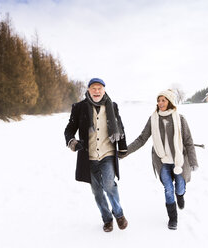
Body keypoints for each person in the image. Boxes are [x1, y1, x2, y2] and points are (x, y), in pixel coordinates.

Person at [119, 89, 198, 230]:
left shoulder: (180, 119)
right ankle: (173, 219)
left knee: (180, 187)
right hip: (162, 162)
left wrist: (193, 161)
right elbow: (142, 139)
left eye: (163, 100)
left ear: (170, 102)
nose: (160, 103)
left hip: (179, 161)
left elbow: (188, 141)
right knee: (168, 189)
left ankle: (180, 195)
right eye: (159, 100)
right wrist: (125, 152)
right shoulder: (153, 119)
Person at [64, 78, 128, 232]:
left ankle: (118, 214)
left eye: (100, 88)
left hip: (107, 154)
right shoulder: (79, 107)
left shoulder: (112, 106)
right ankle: (107, 219)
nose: (97, 91)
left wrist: (123, 147)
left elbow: (120, 126)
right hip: (89, 156)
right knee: (97, 191)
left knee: (108, 184)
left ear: (104, 90)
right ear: (88, 90)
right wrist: (72, 141)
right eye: (94, 88)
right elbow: (69, 129)